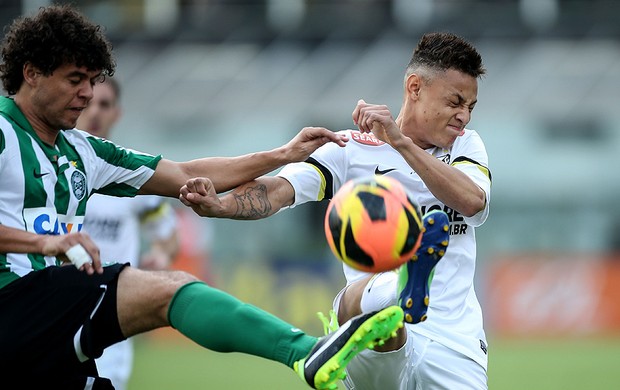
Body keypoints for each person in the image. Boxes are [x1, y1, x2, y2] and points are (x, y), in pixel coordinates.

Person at [0, 5, 405, 389]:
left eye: (92, 80)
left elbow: (186, 173)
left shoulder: (83, 151)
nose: (88, 94)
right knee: (169, 289)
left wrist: (283, 154)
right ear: (32, 73)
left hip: (46, 328)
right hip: (13, 302)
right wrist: (43, 242)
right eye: (75, 79)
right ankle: (306, 351)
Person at [180, 32, 492, 389]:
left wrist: (400, 142)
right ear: (415, 87)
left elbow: (472, 201)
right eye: (455, 101)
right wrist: (220, 205)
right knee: (364, 303)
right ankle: (400, 287)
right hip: (378, 331)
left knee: (363, 302)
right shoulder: (351, 149)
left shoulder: (467, 147)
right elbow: (280, 191)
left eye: (471, 106)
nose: (464, 116)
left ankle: (400, 286)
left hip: (456, 344)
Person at [76, 76, 180, 390]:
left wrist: (160, 254)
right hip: (57, 309)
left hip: (110, 315)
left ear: (116, 113)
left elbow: (168, 235)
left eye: (104, 104)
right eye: (89, 102)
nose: (95, 112)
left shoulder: (133, 175)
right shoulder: (53, 166)